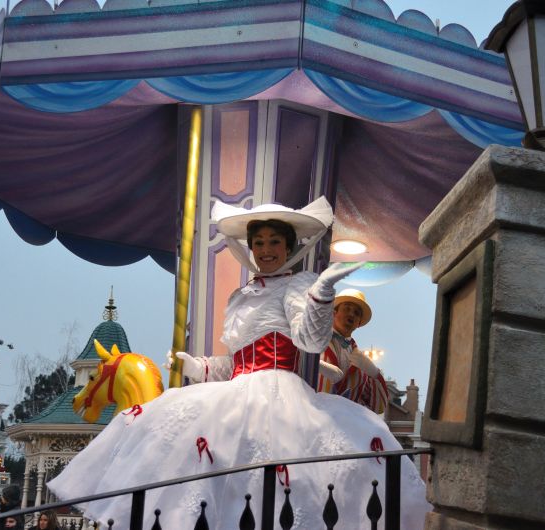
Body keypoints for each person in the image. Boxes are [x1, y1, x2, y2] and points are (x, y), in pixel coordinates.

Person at [48, 197, 430, 529]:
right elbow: (236, 363)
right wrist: (202, 368)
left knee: (278, 487)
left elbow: (310, 341)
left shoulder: (298, 285)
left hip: (279, 396)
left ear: (288, 246)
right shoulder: (241, 296)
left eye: (274, 242)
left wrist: (321, 294)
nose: (265, 250)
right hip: (237, 391)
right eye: (259, 242)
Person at [317, 288, 389, 414]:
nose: (351, 315)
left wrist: (374, 373)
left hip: (344, 427)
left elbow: (379, 407)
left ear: (359, 323)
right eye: (347, 308)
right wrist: (315, 364)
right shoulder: (315, 340)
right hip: (311, 418)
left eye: (356, 313)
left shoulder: (361, 363)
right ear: (334, 313)